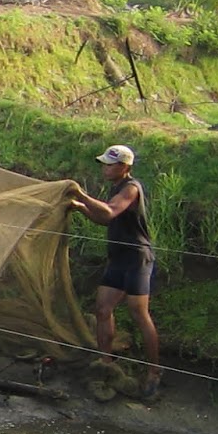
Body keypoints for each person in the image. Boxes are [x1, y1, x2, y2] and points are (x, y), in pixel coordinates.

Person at [68, 144, 161, 401]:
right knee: (102, 309)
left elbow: (110, 211)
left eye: (110, 164)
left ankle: (154, 371)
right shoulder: (115, 188)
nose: (105, 169)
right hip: (118, 258)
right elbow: (103, 219)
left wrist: (82, 195)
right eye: (104, 164)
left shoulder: (131, 188)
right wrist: (80, 207)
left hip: (137, 258)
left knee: (138, 312)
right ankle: (106, 362)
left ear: (125, 167)